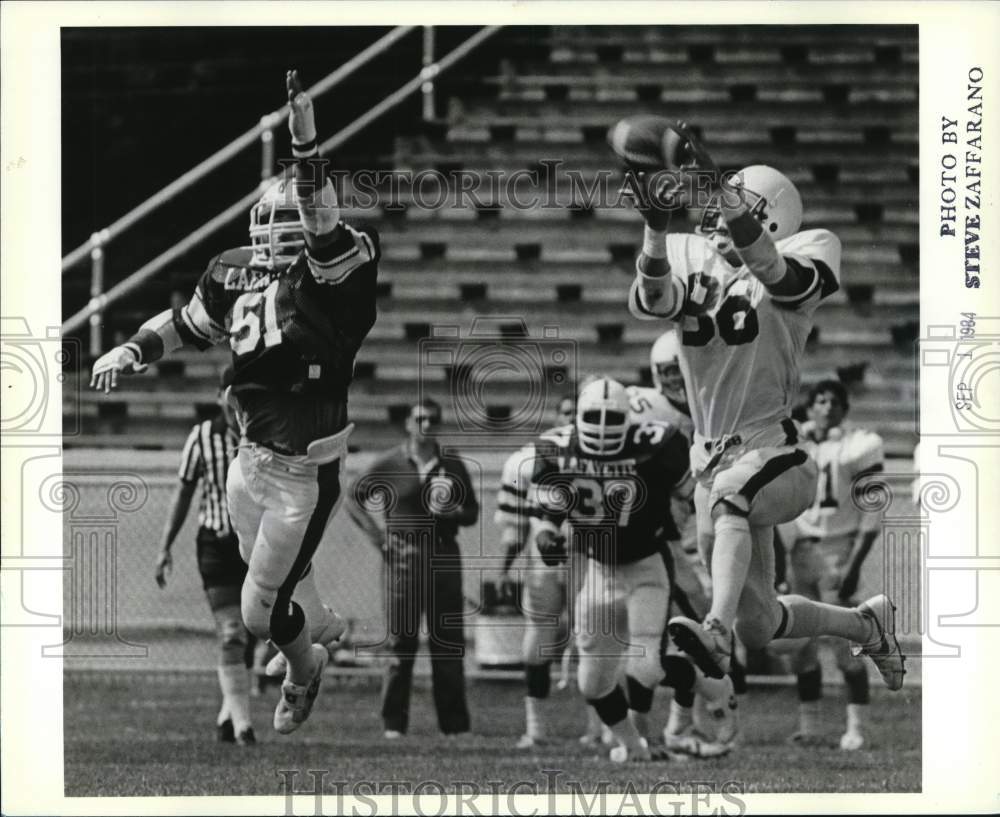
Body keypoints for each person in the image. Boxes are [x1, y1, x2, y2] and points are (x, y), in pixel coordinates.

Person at [91, 70, 378, 734]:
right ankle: (326, 626)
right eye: (269, 220)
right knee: (282, 585)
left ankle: (305, 673)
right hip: (246, 462)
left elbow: (321, 213)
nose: (282, 231)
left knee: (257, 612)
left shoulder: (337, 277)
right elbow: (187, 325)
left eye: (293, 219)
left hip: (305, 475)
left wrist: (305, 142)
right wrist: (132, 350)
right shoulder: (231, 271)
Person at [623, 120, 904, 695]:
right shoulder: (695, 259)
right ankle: (865, 624)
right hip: (711, 461)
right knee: (762, 624)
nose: (713, 218)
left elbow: (778, 273)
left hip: (775, 451)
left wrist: (727, 198)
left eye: (737, 206)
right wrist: (654, 226)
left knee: (733, 510)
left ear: (768, 217)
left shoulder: (810, 249)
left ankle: (714, 630)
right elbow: (655, 299)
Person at [526, 376, 733, 762]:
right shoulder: (555, 447)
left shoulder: (658, 444)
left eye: (611, 417)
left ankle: (708, 692)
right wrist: (545, 536)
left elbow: (695, 493)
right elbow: (546, 512)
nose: (602, 427)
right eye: (594, 417)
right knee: (592, 681)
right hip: (599, 571)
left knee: (646, 664)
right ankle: (633, 746)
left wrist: (696, 523)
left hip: (645, 566)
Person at [346, 399, 479, 739]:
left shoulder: (451, 463)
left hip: (443, 553)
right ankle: (394, 724)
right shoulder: (391, 461)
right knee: (400, 641)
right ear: (408, 423)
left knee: (447, 641)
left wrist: (453, 512)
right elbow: (353, 496)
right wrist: (377, 536)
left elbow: (472, 512)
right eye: (420, 418)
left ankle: (454, 726)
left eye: (433, 419)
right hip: (402, 554)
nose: (427, 424)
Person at [155, 366, 257, 744]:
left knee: (252, 630)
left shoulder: (263, 435)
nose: (235, 403)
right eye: (230, 394)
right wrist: (165, 547)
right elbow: (183, 493)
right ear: (219, 397)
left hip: (257, 547)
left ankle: (229, 714)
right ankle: (244, 726)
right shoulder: (202, 436)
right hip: (216, 543)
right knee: (232, 632)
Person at [782, 380, 886, 750]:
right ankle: (810, 726)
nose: (826, 407)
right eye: (820, 401)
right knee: (800, 645)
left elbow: (872, 513)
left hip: (835, 552)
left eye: (834, 401)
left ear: (844, 408)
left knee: (843, 644)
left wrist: (855, 564)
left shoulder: (858, 446)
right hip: (799, 552)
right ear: (809, 408)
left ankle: (856, 727)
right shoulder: (797, 442)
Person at [496, 394, 576, 749]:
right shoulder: (529, 458)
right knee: (542, 638)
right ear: (558, 416)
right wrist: (505, 569)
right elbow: (515, 529)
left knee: (594, 639)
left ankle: (599, 727)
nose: (572, 419)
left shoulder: (530, 456)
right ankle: (536, 728)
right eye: (568, 412)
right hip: (555, 555)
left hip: (585, 554)